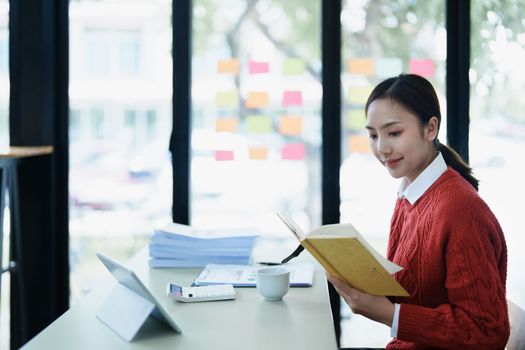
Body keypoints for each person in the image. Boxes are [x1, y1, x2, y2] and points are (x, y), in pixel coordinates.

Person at [328, 73, 509, 349]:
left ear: (431, 128)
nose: (382, 148)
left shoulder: (460, 209)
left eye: (394, 133)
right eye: (373, 135)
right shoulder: (410, 194)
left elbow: (485, 332)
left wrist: (387, 313)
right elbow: (414, 289)